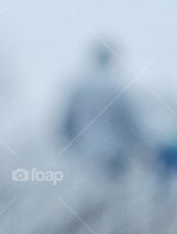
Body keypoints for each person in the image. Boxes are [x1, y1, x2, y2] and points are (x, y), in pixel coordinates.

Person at [60, 41, 146, 175]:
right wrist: (140, 146)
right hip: (114, 157)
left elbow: (66, 123)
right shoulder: (117, 88)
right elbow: (131, 122)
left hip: (84, 154)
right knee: (114, 193)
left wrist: (70, 146)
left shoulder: (79, 87)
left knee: (86, 191)